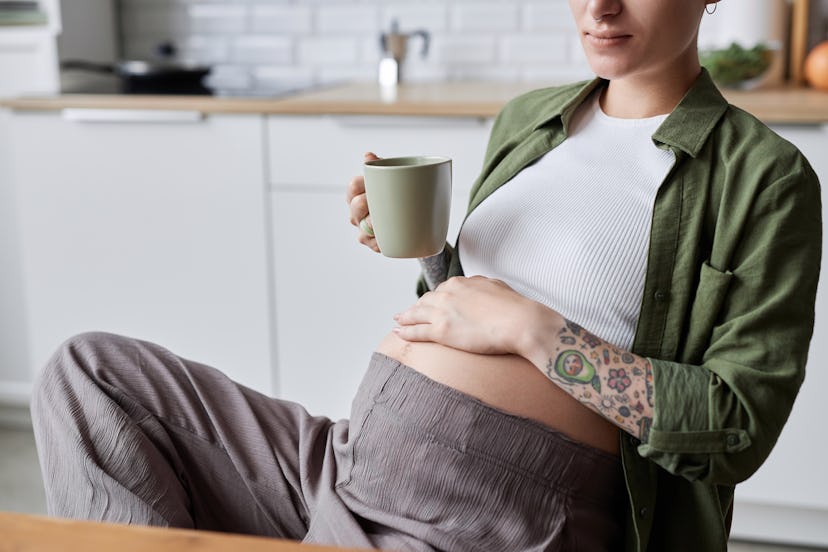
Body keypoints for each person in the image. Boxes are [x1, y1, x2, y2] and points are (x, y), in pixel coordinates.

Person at [30, 0, 821, 550]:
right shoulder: (531, 120)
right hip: (348, 461)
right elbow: (461, 303)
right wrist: (433, 255)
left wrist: (530, 327)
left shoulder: (764, 177)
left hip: (490, 508)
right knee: (90, 376)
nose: (600, 8)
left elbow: (736, 427)